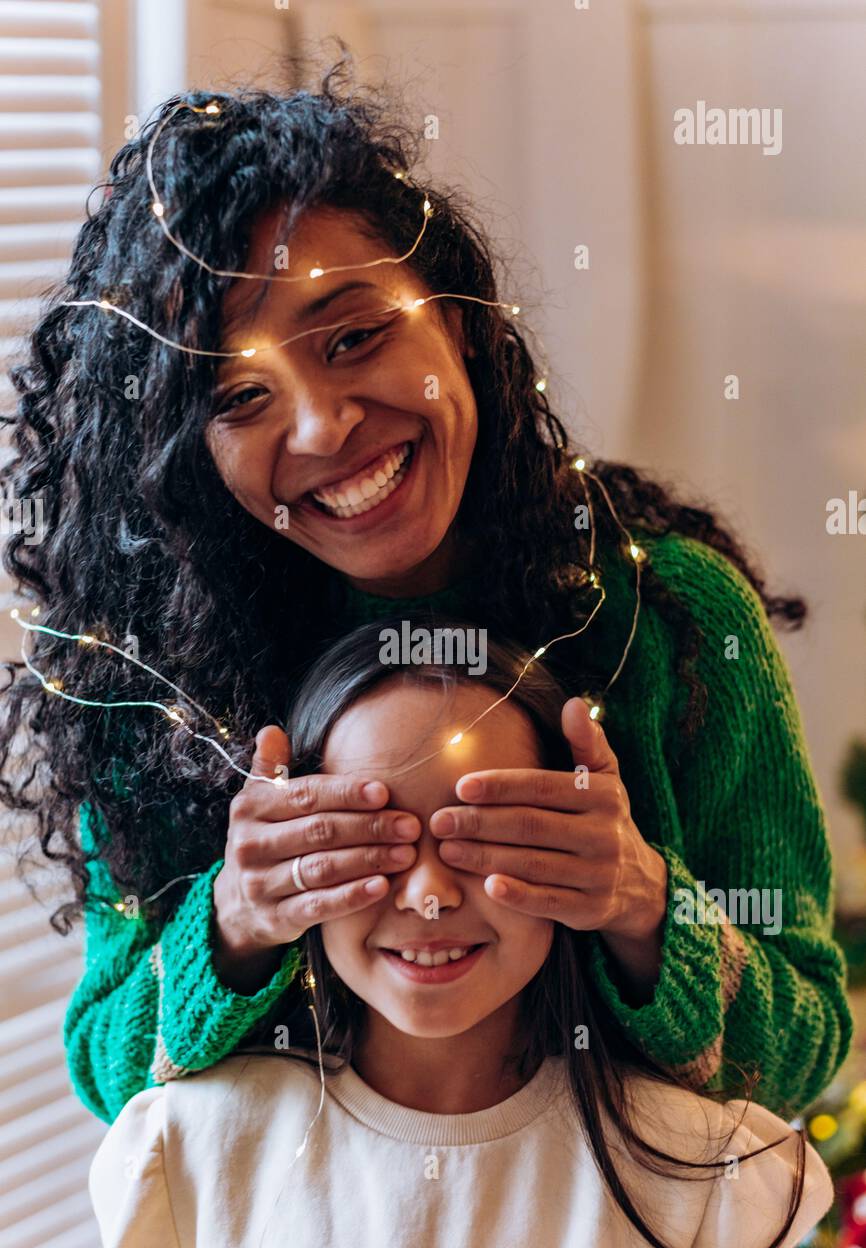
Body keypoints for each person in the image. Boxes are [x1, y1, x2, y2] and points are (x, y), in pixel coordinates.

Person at [0, 53, 850, 1129]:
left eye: (353, 337)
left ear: (454, 313)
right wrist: (231, 922)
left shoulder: (670, 622)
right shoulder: (160, 689)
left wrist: (641, 906)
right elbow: (109, 1073)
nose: (321, 427)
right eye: (241, 396)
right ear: (187, 453)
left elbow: (801, 1048)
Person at [85, 623, 833, 1248]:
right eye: (377, 842)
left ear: (580, 858)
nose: (431, 895)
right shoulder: (193, 1150)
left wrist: (647, 904)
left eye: (480, 841)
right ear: (293, 863)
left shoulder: (697, 1178)